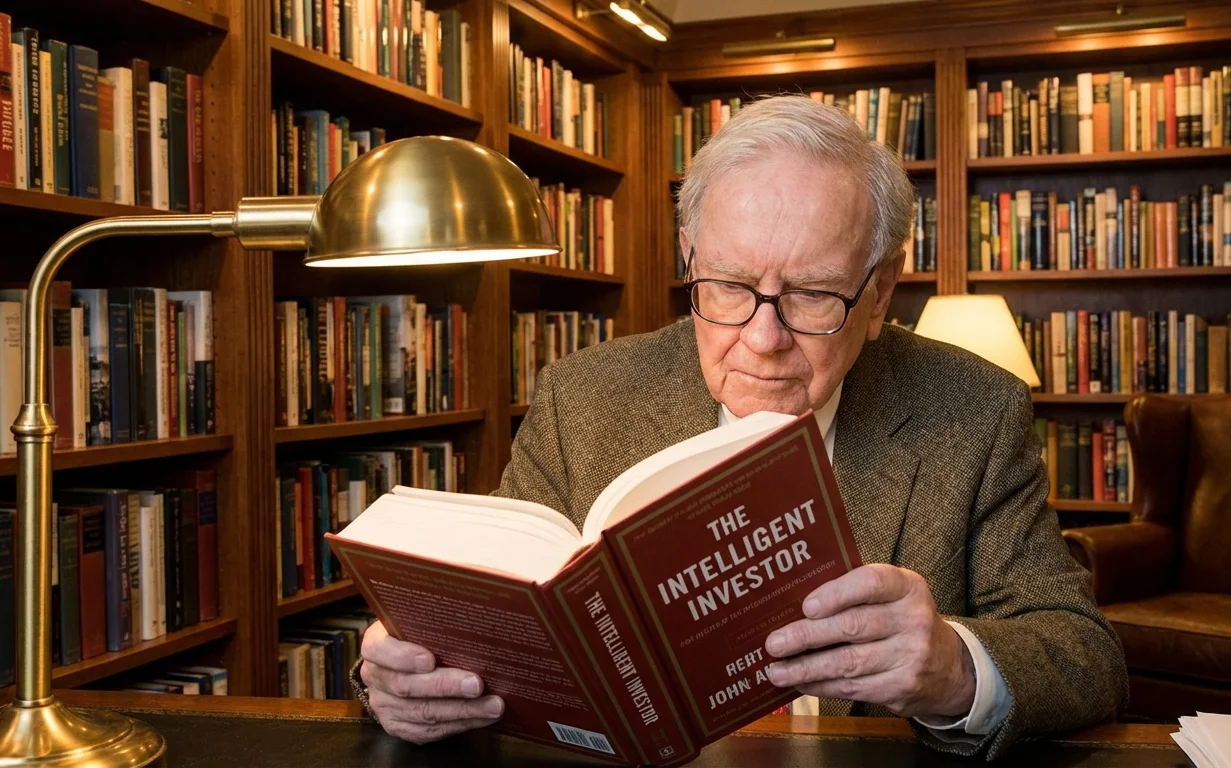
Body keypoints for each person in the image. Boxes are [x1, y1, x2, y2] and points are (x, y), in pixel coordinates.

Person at [352, 95, 1127, 759]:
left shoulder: (974, 409)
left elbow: (1083, 654)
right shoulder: (583, 396)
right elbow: (499, 604)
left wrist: (954, 667)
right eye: (727, 285)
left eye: (814, 295)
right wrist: (401, 669)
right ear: (690, 253)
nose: (762, 338)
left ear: (882, 288)